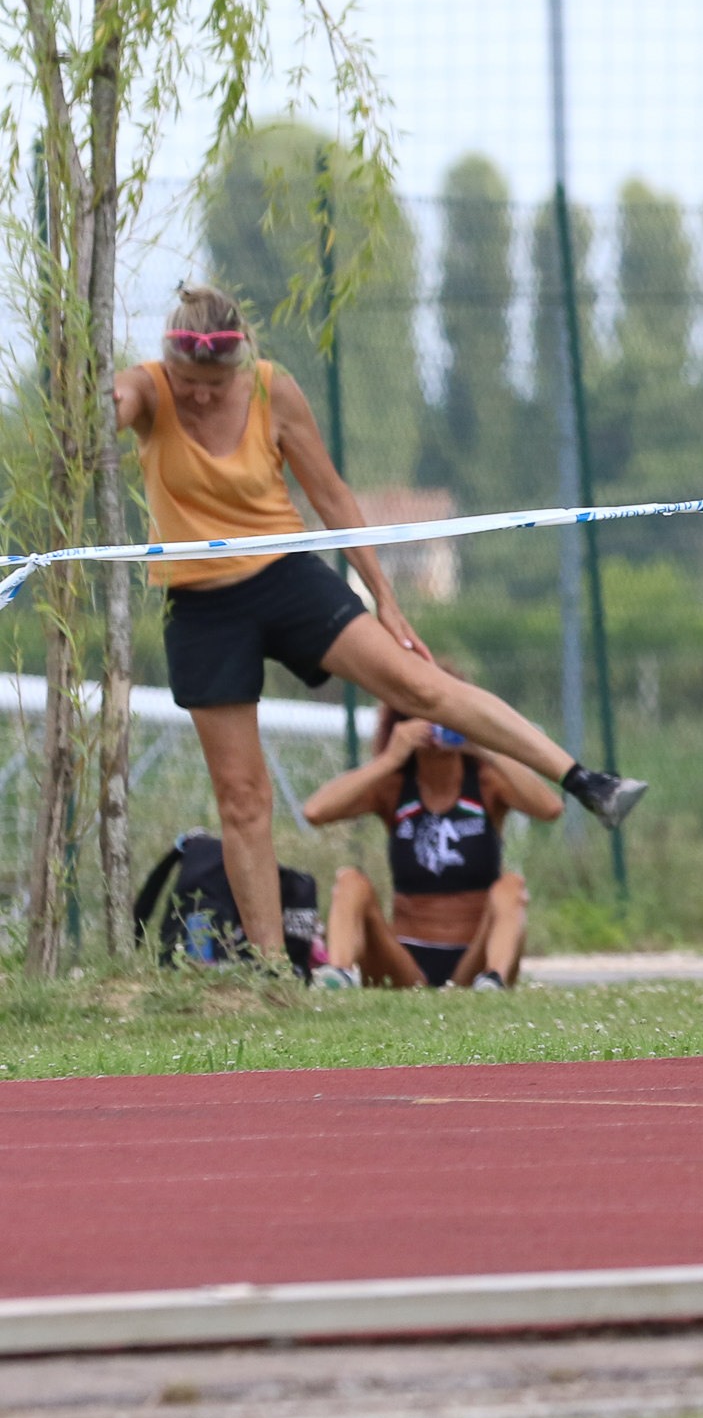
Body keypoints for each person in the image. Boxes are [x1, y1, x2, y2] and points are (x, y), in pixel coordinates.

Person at [114, 284, 645, 966]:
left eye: (215, 385)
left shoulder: (273, 390)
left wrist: (385, 598)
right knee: (243, 799)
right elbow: (116, 403)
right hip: (199, 606)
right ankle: (271, 974)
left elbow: (333, 496)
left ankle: (586, 782)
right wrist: (105, 405)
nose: (200, 396)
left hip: (287, 578)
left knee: (421, 686)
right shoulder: (149, 389)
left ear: (240, 365)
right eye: (188, 381)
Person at [299, 694, 564, 990]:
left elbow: (550, 808)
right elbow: (315, 811)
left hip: (473, 959)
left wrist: (484, 747)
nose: (435, 726)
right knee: (350, 882)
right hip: (405, 962)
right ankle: (338, 974)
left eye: (445, 716)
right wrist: (389, 758)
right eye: (424, 716)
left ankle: (494, 980)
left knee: (511, 886)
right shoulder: (393, 789)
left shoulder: (487, 784)